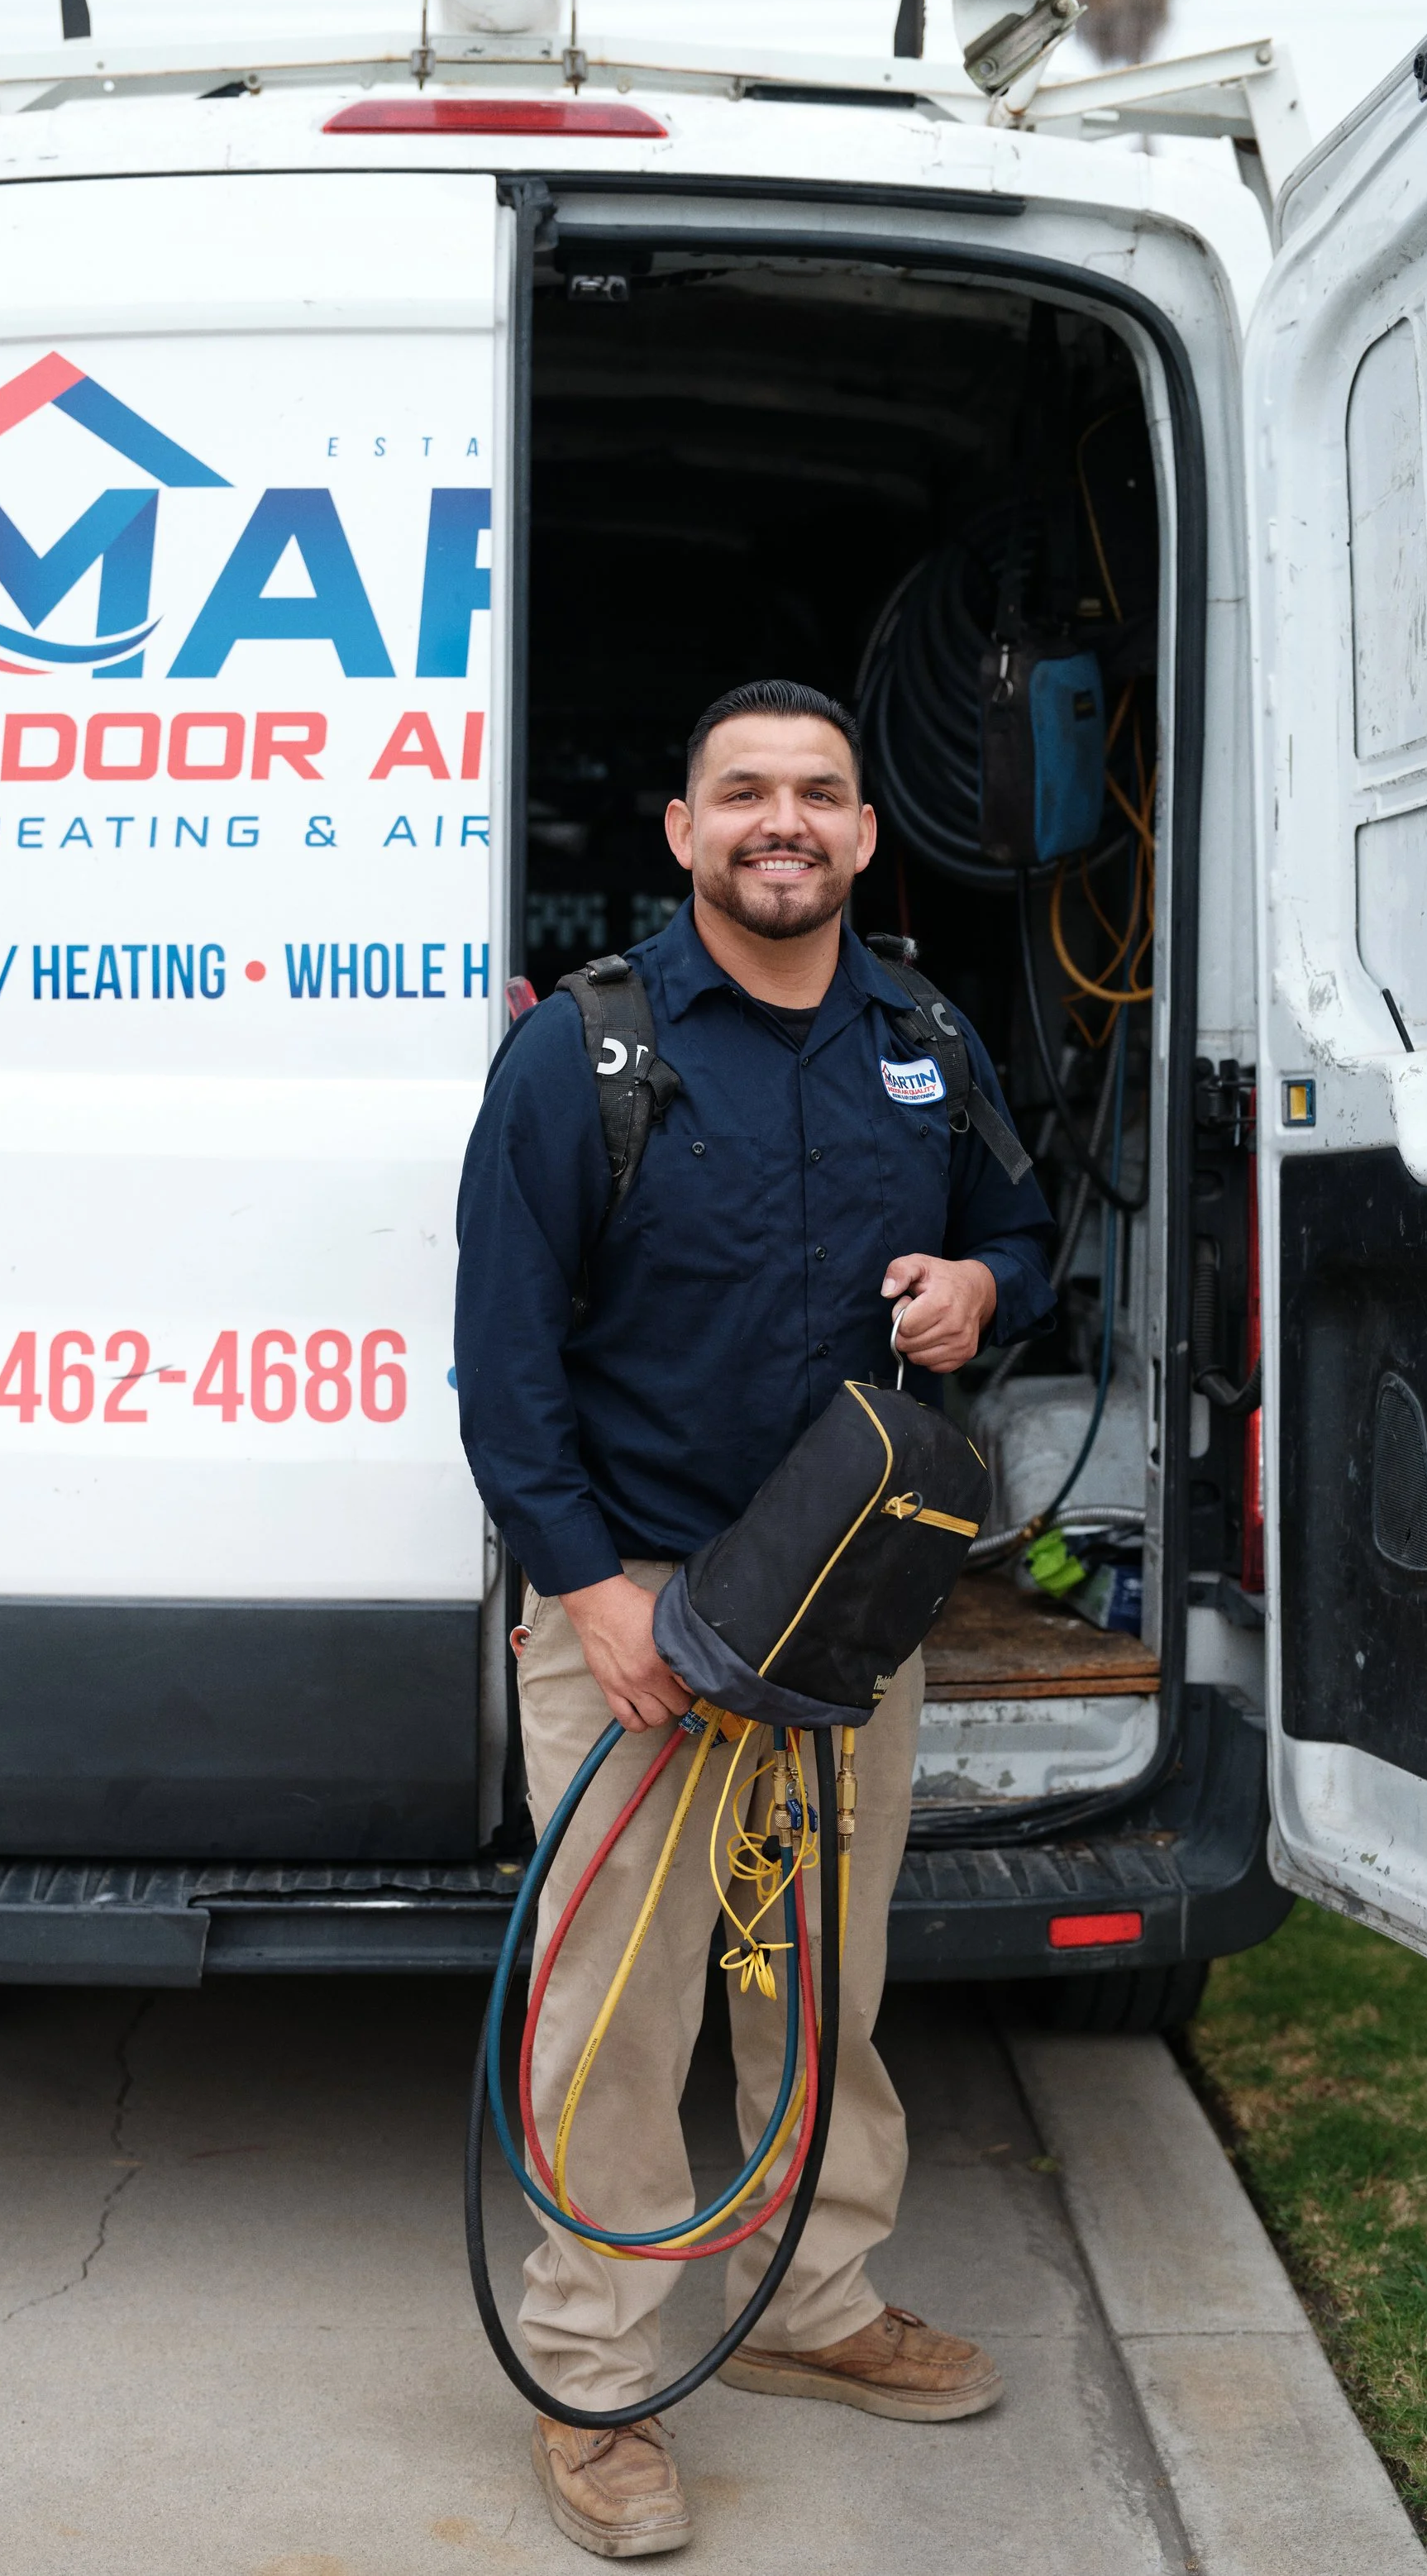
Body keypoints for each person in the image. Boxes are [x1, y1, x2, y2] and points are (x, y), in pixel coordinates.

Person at [455, 680, 1057, 2559]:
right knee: (611, 2027)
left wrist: (978, 1281)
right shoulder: (585, 1055)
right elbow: (499, 1366)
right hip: (634, 1622)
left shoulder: (922, 1036)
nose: (779, 822)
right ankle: (594, 2379)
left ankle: (810, 2306)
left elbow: (1023, 1240)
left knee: (819, 1991)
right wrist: (587, 1596)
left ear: (865, 834)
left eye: (816, 793)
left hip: (843, 1626)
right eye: (742, 795)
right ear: (681, 830)